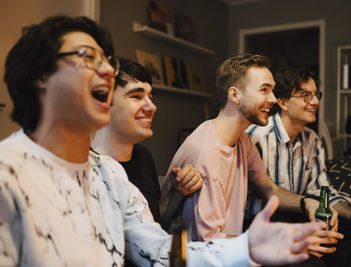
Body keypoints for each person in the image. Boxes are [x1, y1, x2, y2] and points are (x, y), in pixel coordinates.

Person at [0, 15, 323, 266]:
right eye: (87, 57)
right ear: (40, 77)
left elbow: (159, 250)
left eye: (107, 62)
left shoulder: (110, 175)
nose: (105, 71)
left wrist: (245, 248)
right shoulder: (7, 174)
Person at [160, 54, 336, 243]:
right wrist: (282, 243)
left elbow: (270, 189)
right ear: (235, 95)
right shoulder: (207, 153)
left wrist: (306, 203)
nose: (274, 99)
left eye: (273, 90)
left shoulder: (242, 140)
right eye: (264, 90)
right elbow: (210, 242)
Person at [246, 66, 351, 265]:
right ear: (282, 102)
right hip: (262, 224)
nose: (315, 102)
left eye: (316, 95)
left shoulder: (311, 139)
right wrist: (305, 207)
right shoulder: (257, 136)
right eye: (306, 95)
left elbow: (322, 190)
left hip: (302, 217)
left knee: (348, 254)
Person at [92, 58, 203, 224]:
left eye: (150, 97)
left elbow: (152, 227)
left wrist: (177, 193)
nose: (151, 107)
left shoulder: (143, 157)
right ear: (105, 101)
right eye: (136, 96)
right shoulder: (86, 165)